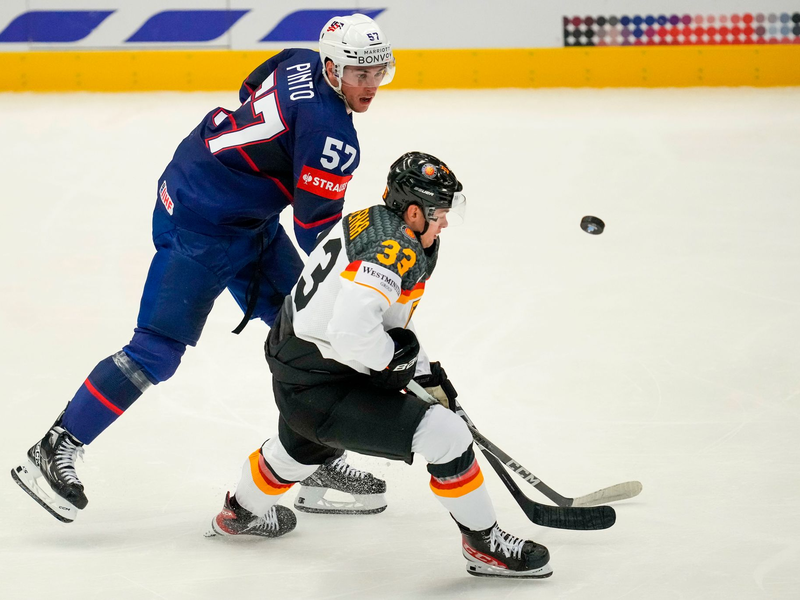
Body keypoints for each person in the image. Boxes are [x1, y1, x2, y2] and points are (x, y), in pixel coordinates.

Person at [12, 13, 396, 524]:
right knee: (156, 350)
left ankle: (311, 460)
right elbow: (315, 233)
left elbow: (252, 84)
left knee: (308, 338)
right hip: (200, 222)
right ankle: (56, 446)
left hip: (232, 207)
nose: (369, 86)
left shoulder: (300, 59)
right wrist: (365, 279)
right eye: (358, 74)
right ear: (331, 67)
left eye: (377, 73)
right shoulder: (334, 136)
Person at [207, 152, 553, 579]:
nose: (444, 223)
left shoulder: (372, 220)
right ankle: (485, 545)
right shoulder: (394, 247)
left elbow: (377, 322)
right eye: (440, 214)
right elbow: (354, 334)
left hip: (302, 369)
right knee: (446, 436)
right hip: (323, 382)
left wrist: (425, 373)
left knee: (300, 450)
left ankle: (239, 514)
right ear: (413, 212)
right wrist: (396, 364)